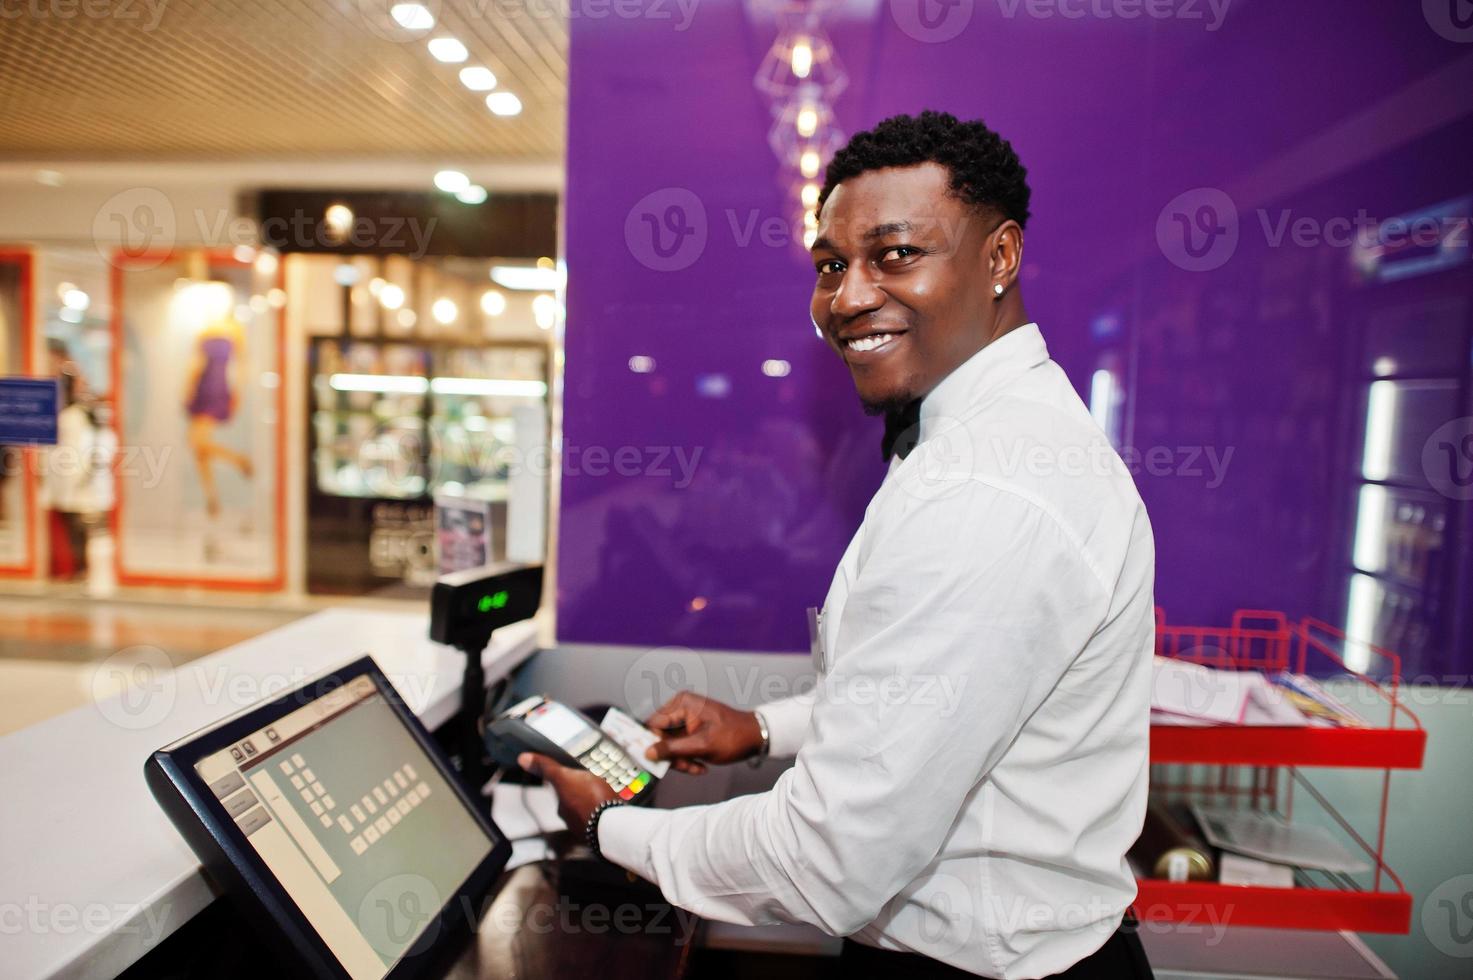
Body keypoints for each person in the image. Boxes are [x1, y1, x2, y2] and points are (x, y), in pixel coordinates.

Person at [524, 111, 1156, 979]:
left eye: (895, 254)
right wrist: (759, 729)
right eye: (830, 265)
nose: (848, 297)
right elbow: (940, 695)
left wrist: (609, 824)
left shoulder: (985, 489)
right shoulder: (984, 441)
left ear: (999, 257)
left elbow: (831, 858)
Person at [183, 311, 252, 518]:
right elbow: (196, 363)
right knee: (199, 448)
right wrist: (189, 386)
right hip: (204, 385)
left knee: (196, 443)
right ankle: (212, 496)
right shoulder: (207, 329)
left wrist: (238, 392)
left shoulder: (235, 331)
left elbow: (241, 365)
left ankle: (238, 461)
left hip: (215, 388)